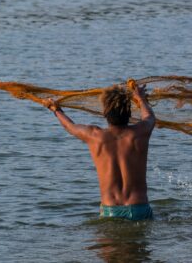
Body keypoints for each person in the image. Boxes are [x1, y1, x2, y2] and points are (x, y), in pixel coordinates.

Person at [43, 81, 155, 220]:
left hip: (111, 211)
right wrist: (141, 98)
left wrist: (56, 110)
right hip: (139, 208)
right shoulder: (140, 132)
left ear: (105, 113)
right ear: (129, 112)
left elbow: (69, 126)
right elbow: (149, 117)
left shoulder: (95, 136)